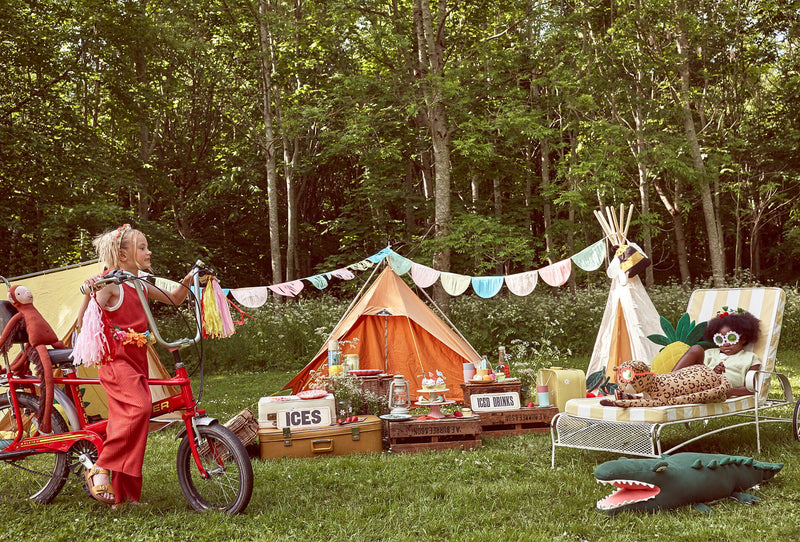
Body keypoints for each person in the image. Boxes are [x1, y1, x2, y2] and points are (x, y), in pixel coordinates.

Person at [78, 224, 194, 508]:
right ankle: (101, 466)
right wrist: (91, 290)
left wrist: (190, 280)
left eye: (146, 246)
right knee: (140, 407)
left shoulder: (140, 283)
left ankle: (124, 497)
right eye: (141, 248)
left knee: (134, 423)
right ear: (123, 255)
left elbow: (175, 298)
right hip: (116, 363)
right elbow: (86, 314)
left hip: (137, 360)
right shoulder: (112, 284)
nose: (148, 251)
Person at [671, 309, 761, 398]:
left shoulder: (750, 358)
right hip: (700, 382)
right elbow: (698, 371)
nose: (726, 344)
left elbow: (750, 388)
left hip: (720, 389)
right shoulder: (710, 353)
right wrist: (712, 373)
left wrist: (730, 392)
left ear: (743, 338)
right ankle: (668, 381)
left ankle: (668, 386)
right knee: (696, 349)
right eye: (720, 339)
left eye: (731, 338)